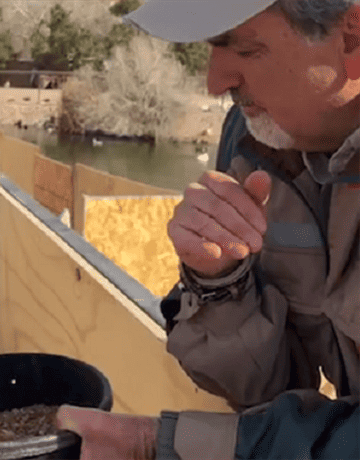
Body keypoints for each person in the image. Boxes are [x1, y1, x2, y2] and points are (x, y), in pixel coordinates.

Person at [56, 1, 360, 458]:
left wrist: (152, 445)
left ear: (352, 35)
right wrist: (220, 283)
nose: (214, 83)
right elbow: (272, 388)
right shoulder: (253, 140)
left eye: (245, 49)